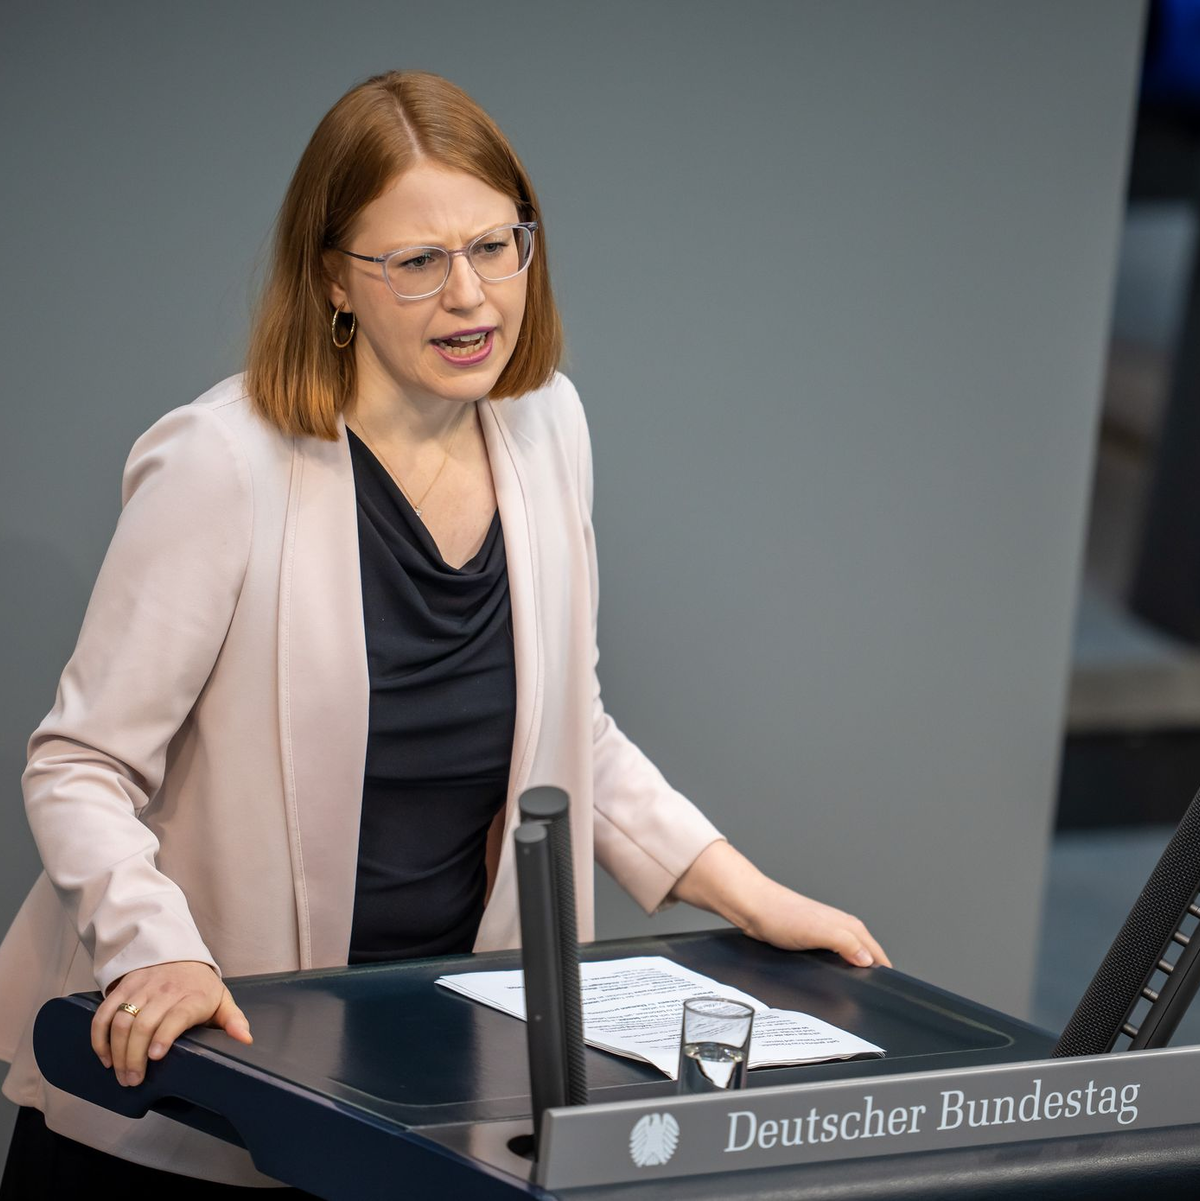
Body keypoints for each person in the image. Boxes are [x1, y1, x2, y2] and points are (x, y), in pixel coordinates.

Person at [0, 69, 890, 1193]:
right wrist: (157, 949)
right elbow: (78, 765)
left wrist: (750, 894)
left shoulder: (546, 423)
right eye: (418, 261)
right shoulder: (220, 464)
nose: (471, 297)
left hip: (418, 1072)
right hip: (203, 1077)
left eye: (494, 246)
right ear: (334, 278)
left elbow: (571, 732)